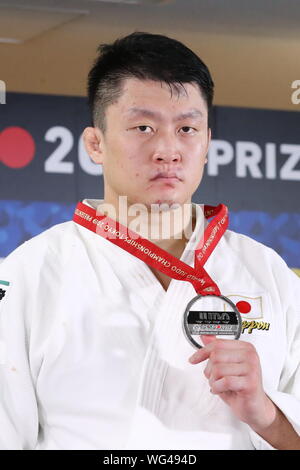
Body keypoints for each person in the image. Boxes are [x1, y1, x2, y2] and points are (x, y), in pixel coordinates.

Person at [0, 31, 299, 451]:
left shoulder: (268, 273)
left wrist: (265, 413)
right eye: (143, 127)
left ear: (208, 143)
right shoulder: (28, 274)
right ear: (95, 143)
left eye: (187, 128)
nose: (168, 149)